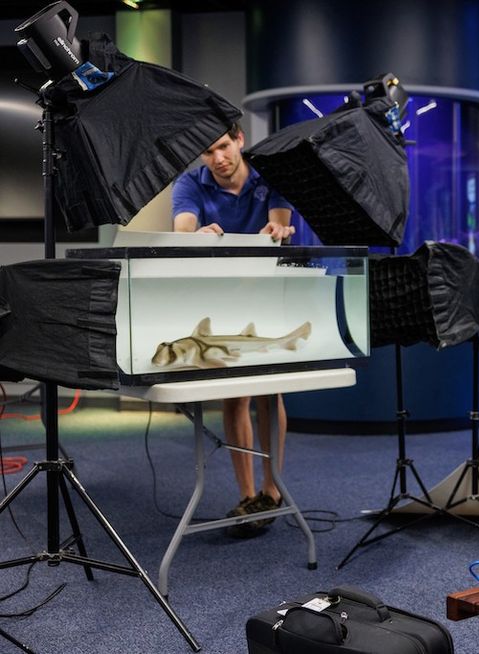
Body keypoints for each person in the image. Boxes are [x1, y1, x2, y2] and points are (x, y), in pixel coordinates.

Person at [172, 122, 300, 538]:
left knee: (270, 392)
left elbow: (279, 223)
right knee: (233, 395)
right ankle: (249, 496)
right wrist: (194, 238)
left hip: (268, 292)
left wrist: (278, 229)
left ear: (239, 139)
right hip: (222, 297)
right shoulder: (191, 183)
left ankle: (272, 488)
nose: (218, 158)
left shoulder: (271, 176)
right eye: (208, 152)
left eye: (224, 147)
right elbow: (182, 230)